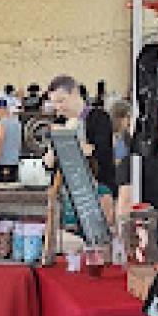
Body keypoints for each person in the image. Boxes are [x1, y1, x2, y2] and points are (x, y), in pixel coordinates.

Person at [47, 74, 118, 222]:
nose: (58, 107)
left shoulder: (99, 118)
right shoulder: (58, 122)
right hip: (67, 194)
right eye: (55, 103)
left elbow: (101, 151)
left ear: (74, 93)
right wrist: (50, 156)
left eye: (61, 101)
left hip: (98, 193)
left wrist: (67, 142)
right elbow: (50, 163)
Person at [0, 96, 23, 183]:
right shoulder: (17, 124)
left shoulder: (2, 124)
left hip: (3, 163)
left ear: (2, 109)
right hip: (15, 162)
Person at [109, 98, 132, 166]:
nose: (129, 120)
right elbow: (117, 163)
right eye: (127, 117)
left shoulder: (125, 136)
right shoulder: (114, 138)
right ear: (119, 118)